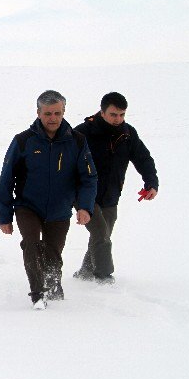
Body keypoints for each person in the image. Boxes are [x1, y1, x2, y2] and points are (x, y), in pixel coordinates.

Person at [0, 90, 97, 310]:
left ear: (63, 112)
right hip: (27, 206)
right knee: (31, 245)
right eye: (48, 113)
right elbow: (6, 179)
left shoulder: (77, 142)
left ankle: (53, 287)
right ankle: (37, 294)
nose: (53, 118)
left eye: (57, 113)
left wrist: (85, 207)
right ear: (38, 113)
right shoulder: (23, 141)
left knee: (53, 254)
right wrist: (5, 216)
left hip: (60, 209)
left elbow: (88, 178)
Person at [72, 92, 159, 284]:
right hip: (84, 194)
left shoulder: (127, 134)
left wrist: (151, 183)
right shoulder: (82, 133)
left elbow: (143, 158)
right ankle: (104, 276)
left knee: (101, 235)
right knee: (101, 233)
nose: (118, 119)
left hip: (111, 194)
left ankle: (85, 273)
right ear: (102, 112)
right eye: (113, 114)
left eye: (121, 115)